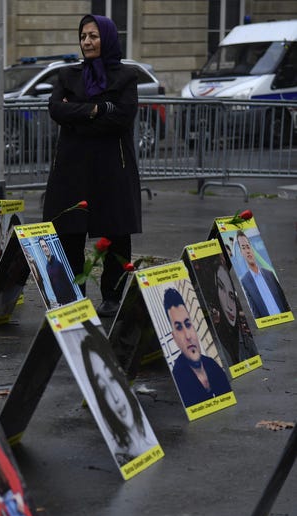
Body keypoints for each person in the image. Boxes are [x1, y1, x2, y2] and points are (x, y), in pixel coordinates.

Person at [43, 14, 142, 318]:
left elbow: (122, 116)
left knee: (114, 231)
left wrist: (79, 118)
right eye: (84, 36)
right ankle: (74, 295)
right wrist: (96, 109)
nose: (87, 42)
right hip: (72, 168)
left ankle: (112, 296)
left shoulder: (126, 76)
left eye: (94, 36)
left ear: (108, 39)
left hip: (112, 167)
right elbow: (56, 108)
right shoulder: (67, 76)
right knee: (69, 231)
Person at [80, 324, 156, 465]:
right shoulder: (124, 454)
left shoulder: (148, 442)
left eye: (112, 378)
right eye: (103, 388)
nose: (115, 398)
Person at [163, 287, 232, 407]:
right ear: (174, 338)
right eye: (179, 327)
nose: (188, 336)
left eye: (188, 324)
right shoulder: (179, 379)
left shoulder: (212, 365)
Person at [235, 230, 289, 318]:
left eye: (248, 247)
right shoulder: (245, 281)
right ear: (241, 253)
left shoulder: (270, 274)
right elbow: (255, 312)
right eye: (243, 248)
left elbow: (284, 301)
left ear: (252, 249)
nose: (247, 250)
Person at [38, 236, 78, 306]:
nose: (45, 249)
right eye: (42, 247)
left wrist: (74, 297)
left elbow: (67, 280)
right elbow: (53, 285)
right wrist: (58, 300)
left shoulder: (58, 263)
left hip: (69, 298)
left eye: (45, 246)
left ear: (48, 247)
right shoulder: (47, 267)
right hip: (61, 300)